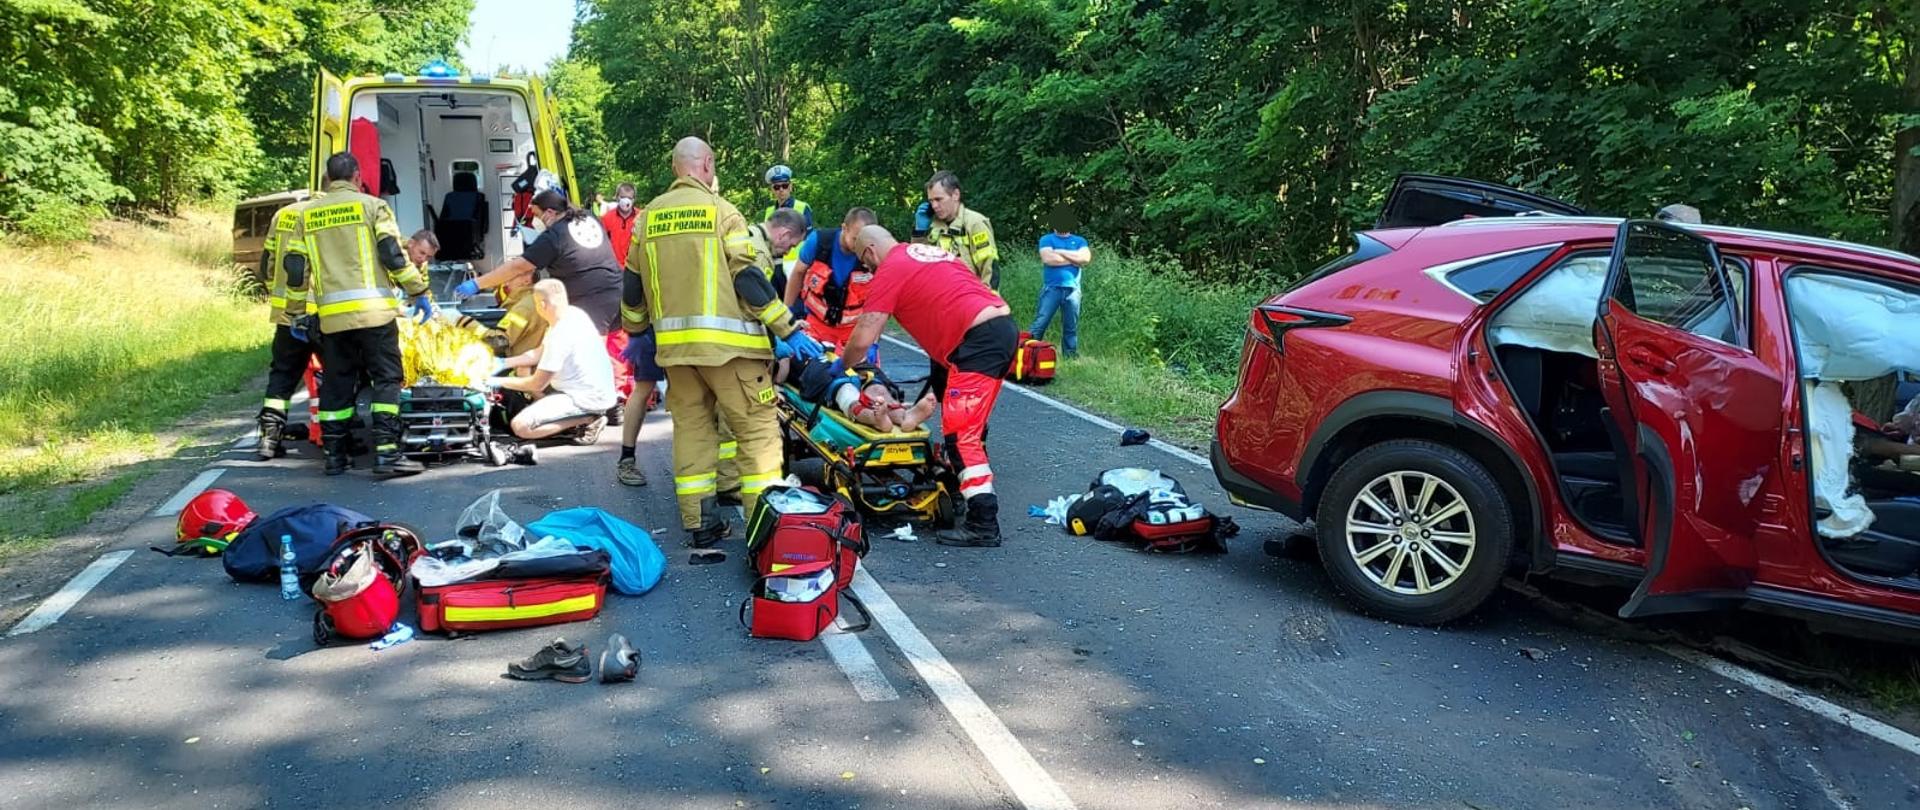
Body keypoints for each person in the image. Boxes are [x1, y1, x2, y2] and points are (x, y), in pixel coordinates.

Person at [624, 137, 823, 547]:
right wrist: (785, 326)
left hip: (677, 355)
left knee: (693, 432)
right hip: (731, 351)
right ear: (708, 164)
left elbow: (632, 284)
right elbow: (747, 277)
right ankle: (764, 531)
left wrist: (638, 328)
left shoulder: (646, 220)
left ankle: (701, 525)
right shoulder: (723, 213)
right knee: (758, 435)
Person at [841, 226, 1018, 547]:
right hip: (995, 329)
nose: (868, 270)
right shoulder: (929, 253)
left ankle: (983, 522)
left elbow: (864, 337)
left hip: (975, 340)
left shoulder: (890, 268)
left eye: (865, 264)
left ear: (869, 252)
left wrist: (840, 367)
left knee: (961, 435)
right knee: (970, 428)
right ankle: (956, 487)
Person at [292, 152, 434, 477]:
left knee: (337, 383)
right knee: (386, 379)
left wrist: (296, 312)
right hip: (375, 316)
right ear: (357, 176)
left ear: (329, 179)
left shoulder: (307, 215)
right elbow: (391, 255)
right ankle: (387, 454)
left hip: (332, 319)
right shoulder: (373, 207)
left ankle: (334, 456)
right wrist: (418, 291)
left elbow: (296, 268)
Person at [456, 188, 631, 418]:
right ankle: (614, 400)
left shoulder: (554, 236)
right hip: (616, 290)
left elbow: (518, 267)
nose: (537, 222)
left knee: (590, 355)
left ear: (550, 212)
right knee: (606, 352)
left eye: (538, 216)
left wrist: (478, 284)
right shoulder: (587, 218)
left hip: (590, 299)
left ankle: (594, 409)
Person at [488, 280, 616, 442]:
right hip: (589, 389)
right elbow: (539, 352)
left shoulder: (560, 335)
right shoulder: (573, 314)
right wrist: (501, 363)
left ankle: (589, 419)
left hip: (584, 398)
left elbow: (536, 384)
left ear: (542, 304)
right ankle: (565, 416)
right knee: (522, 369)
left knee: (521, 426)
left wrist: (496, 381)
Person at [253, 196, 316, 461]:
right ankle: (337, 443)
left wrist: (277, 297)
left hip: (287, 315)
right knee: (337, 375)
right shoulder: (328, 211)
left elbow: (267, 261)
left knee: (282, 376)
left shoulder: (283, 214)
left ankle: (270, 437)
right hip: (325, 313)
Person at [775, 345, 936, 433]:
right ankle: (876, 417)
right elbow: (782, 371)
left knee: (874, 385)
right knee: (846, 389)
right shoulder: (787, 342)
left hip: (841, 356)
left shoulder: (801, 332)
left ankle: (904, 417)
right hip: (815, 366)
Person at [783, 207, 879, 350]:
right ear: (844, 228)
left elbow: (880, 302)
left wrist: (873, 342)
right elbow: (798, 273)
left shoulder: (875, 255)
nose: (860, 245)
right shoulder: (819, 242)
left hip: (854, 333)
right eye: (855, 239)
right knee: (808, 367)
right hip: (816, 326)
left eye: (865, 241)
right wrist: (787, 314)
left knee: (862, 371)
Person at [1029, 206, 1092, 357]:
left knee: (1071, 327)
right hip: (1052, 289)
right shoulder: (1046, 239)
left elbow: (1085, 258)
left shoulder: (1079, 241)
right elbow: (1048, 259)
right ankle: (1028, 352)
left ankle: (1070, 356)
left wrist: (1060, 252)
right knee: (1040, 323)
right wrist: (1074, 259)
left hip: (1073, 291)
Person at [925, 170, 1001, 288]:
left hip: (971, 299)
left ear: (955, 195)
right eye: (931, 201)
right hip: (943, 299)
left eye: (938, 199)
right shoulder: (933, 227)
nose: (934, 206)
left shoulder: (974, 223)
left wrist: (989, 303)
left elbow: (989, 268)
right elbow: (919, 264)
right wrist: (918, 232)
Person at [762, 165, 814, 296]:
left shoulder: (802, 207)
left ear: (790, 186)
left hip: (795, 263)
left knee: (795, 303)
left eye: (784, 186)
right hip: (774, 264)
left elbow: (809, 238)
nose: (781, 190)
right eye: (777, 187)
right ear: (772, 190)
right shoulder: (769, 212)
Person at [600, 182, 640, 266]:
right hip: (613, 267)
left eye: (629, 198)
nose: (626, 201)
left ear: (634, 199)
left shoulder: (641, 217)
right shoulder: (606, 218)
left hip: (635, 268)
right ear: (617, 197)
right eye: (622, 197)